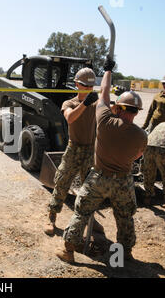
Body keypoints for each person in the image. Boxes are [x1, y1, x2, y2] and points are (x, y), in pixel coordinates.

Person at [56, 59, 147, 263]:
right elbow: (137, 156)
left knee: (81, 212)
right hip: (123, 181)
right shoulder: (141, 135)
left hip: (98, 178)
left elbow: (104, 92)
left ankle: (68, 251)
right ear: (136, 111)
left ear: (119, 107)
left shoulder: (104, 121)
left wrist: (107, 70)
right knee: (124, 218)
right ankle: (122, 256)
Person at [43, 68, 103, 236]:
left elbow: (110, 108)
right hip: (73, 149)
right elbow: (70, 118)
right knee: (62, 183)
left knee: (90, 189)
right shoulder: (69, 103)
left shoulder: (96, 103)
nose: (89, 89)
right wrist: (84, 104)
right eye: (85, 85)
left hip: (91, 151)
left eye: (91, 86)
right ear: (77, 84)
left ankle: (91, 219)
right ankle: (51, 217)